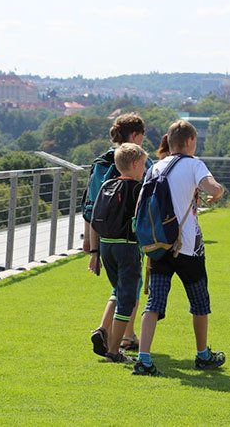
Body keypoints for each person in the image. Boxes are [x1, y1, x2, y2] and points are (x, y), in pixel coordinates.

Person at [133, 120, 226, 376]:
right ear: (189, 142)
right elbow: (213, 188)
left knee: (154, 302)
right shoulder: (194, 164)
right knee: (199, 302)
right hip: (187, 248)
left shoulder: (155, 167)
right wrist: (216, 193)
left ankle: (144, 358)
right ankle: (202, 354)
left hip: (158, 245)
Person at [82, 113, 150, 357]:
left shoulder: (103, 169)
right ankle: (115, 345)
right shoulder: (138, 181)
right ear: (134, 136)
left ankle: (115, 333)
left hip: (106, 242)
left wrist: (92, 247)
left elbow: (92, 209)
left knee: (120, 290)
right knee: (128, 294)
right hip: (127, 244)